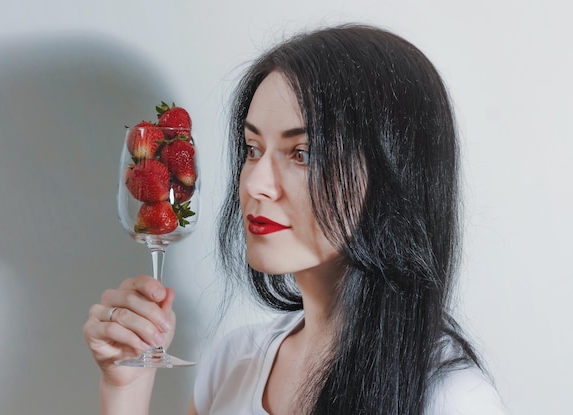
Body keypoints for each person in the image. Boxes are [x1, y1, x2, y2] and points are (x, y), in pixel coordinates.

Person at [83, 24, 509, 414]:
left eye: (302, 154)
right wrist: (125, 388)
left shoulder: (452, 398)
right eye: (252, 149)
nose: (255, 185)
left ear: (392, 177)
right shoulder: (235, 360)